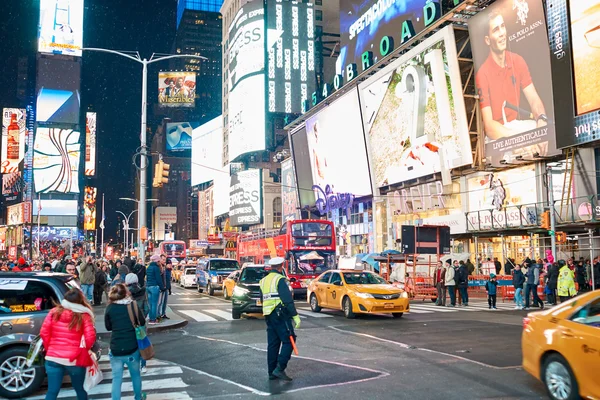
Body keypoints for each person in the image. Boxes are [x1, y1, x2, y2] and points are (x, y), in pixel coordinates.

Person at [476, 10, 548, 141]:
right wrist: (518, 141)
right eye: (496, 29)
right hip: (498, 134)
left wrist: (542, 121)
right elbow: (490, 127)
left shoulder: (517, 61)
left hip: (516, 127)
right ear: (487, 40)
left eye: (503, 26)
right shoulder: (483, 73)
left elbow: (533, 99)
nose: (502, 33)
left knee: (544, 129)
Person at [40, 289, 97, 400]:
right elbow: (90, 338)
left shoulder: (53, 312)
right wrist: (84, 350)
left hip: (53, 357)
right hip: (75, 358)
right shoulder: (84, 315)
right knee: (80, 389)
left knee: (52, 391)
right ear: (81, 301)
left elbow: (44, 333)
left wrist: (50, 348)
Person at [259, 257, 300, 381]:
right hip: (280, 314)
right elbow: (287, 300)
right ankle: (280, 368)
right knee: (289, 340)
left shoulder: (263, 281)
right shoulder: (280, 280)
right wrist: (295, 316)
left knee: (273, 344)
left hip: (268, 315)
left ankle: (271, 372)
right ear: (281, 266)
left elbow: (262, 299)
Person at [104, 284, 146, 400]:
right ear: (125, 293)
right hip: (132, 347)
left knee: (116, 378)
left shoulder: (110, 308)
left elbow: (108, 327)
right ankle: (138, 397)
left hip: (116, 348)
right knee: (135, 375)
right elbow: (142, 322)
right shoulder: (133, 305)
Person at [125, 273, 149, 373]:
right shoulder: (143, 291)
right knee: (142, 343)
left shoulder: (126, 293)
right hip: (141, 320)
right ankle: (143, 365)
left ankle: (132, 363)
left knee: (130, 343)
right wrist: (143, 316)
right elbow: (147, 308)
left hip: (130, 321)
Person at [146, 254, 164, 325]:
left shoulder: (148, 267)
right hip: (154, 287)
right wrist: (162, 287)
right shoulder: (156, 268)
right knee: (154, 304)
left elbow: (147, 278)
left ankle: (150, 318)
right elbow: (158, 279)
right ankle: (153, 319)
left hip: (148, 286)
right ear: (157, 261)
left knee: (150, 304)